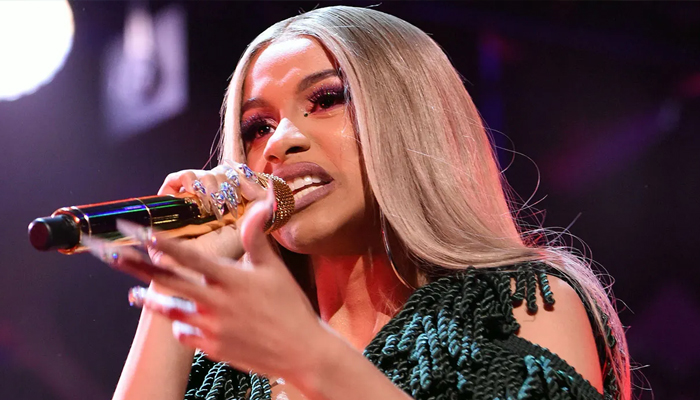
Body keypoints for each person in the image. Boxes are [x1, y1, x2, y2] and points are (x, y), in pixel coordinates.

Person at [90, 6, 630, 400]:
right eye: (257, 127)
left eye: (325, 99)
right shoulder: (225, 369)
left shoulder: (517, 302)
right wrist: (178, 278)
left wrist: (311, 358)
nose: (279, 142)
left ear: (411, 120)